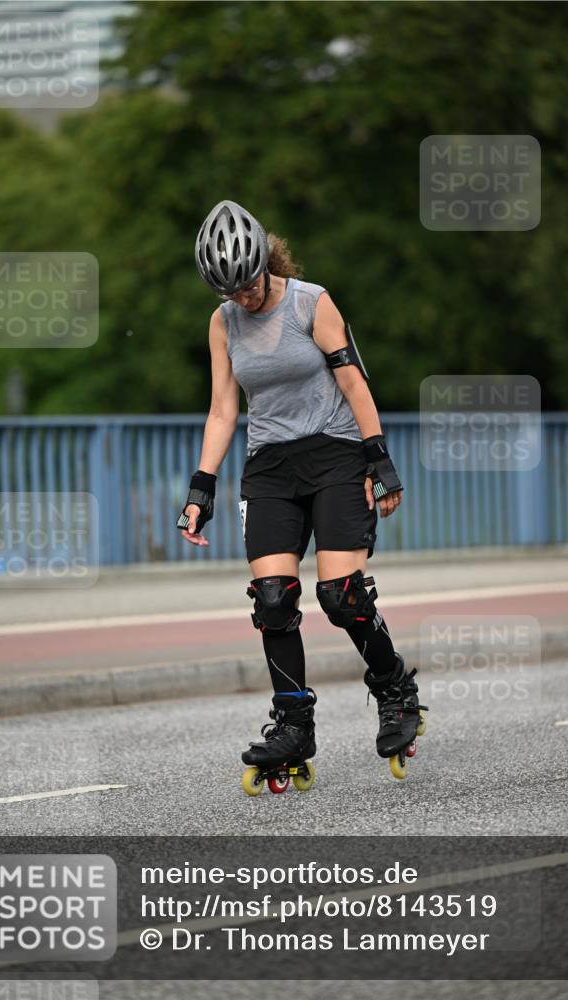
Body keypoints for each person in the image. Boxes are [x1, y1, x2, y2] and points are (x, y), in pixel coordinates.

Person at [177, 200, 427, 794]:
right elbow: (222, 410)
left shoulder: (310, 302)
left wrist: (379, 459)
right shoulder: (223, 323)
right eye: (229, 291)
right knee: (272, 600)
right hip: (270, 466)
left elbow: (352, 380)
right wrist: (200, 488)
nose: (243, 298)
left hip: (336, 454)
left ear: (265, 261)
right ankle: (292, 725)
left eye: (248, 284)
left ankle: (395, 690)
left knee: (340, 596)